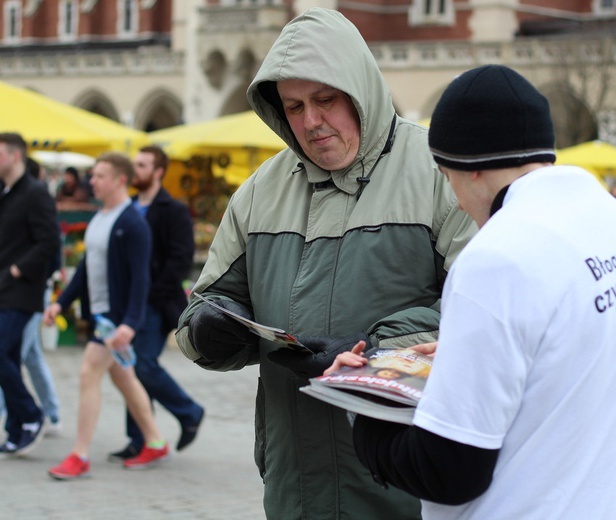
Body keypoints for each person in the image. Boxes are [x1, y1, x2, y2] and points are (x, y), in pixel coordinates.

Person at [336, 65, 616, 519]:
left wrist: (366, 403)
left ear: (470, 169)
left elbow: (448, 471)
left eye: (446, 177)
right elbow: (577, 363)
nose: (455, 200)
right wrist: (472, 352)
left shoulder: (497, 258)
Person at [174, 8, 477, 519]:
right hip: (294, 483)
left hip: (406, 476)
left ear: (359, 89)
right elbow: (205, 303)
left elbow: (484, 318)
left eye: (325, 99)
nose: (311, 122)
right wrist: (208, 327)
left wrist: (372, 353)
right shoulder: (259, 192)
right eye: (293, 106)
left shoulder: (439, 173)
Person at [43, 152, 169, 479]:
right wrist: (61, 302)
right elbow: (87, 269)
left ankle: (79, 455)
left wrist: (130, 322)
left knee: (88, 373)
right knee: (124, 378)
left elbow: (141, 278)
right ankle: (154, 441)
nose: (92, 181)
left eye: (99, 176)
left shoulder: (132, 223)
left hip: (115, 320)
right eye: (93, 175)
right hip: (101, 316)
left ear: (120, 180)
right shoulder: (100, 218)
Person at [106, 146, 204, 462]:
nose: (136, 171)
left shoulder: (172, 209)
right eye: (134, 165)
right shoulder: (129, 206)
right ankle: (139, 440)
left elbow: (180, 260)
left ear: (158, 171)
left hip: (156, 303)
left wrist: (149, 291)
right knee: (130, 367)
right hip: (129, 303)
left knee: (140, 366)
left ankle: (188, 411)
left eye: (143, 165)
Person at [0, 133, 60, 457]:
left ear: (14, 156)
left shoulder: (36, 194)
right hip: (3, 289)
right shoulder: (5, 193)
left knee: (3, 354)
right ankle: (16, 428)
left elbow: (50, 242)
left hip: (22, 291)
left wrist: (17, 270)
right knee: (6, 357)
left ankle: (33, 415)